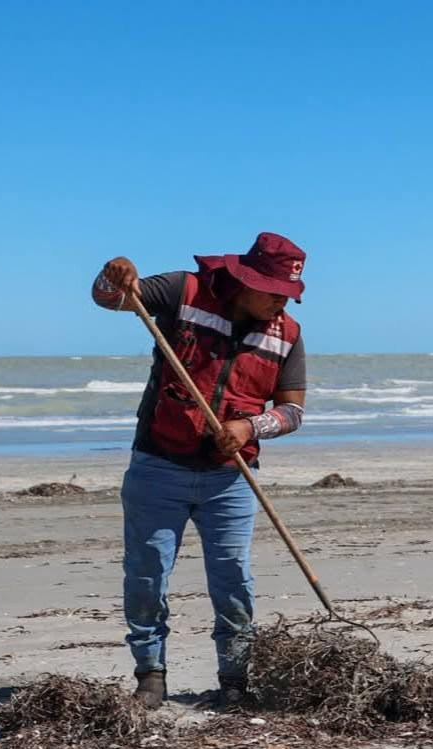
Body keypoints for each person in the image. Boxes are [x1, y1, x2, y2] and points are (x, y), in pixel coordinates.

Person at [90, 232, 308, 711]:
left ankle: (234, 680)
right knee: (146, 575)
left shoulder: (286, 335)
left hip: (230, 479)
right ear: (246, 280)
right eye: (273, 292)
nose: (280, 303)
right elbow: (110, 299)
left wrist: (251, 428)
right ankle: (150, 676)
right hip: (157, 465)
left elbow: (293, 411)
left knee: (233, 578)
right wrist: (114, 274)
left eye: (287, 295)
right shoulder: (183, 291)